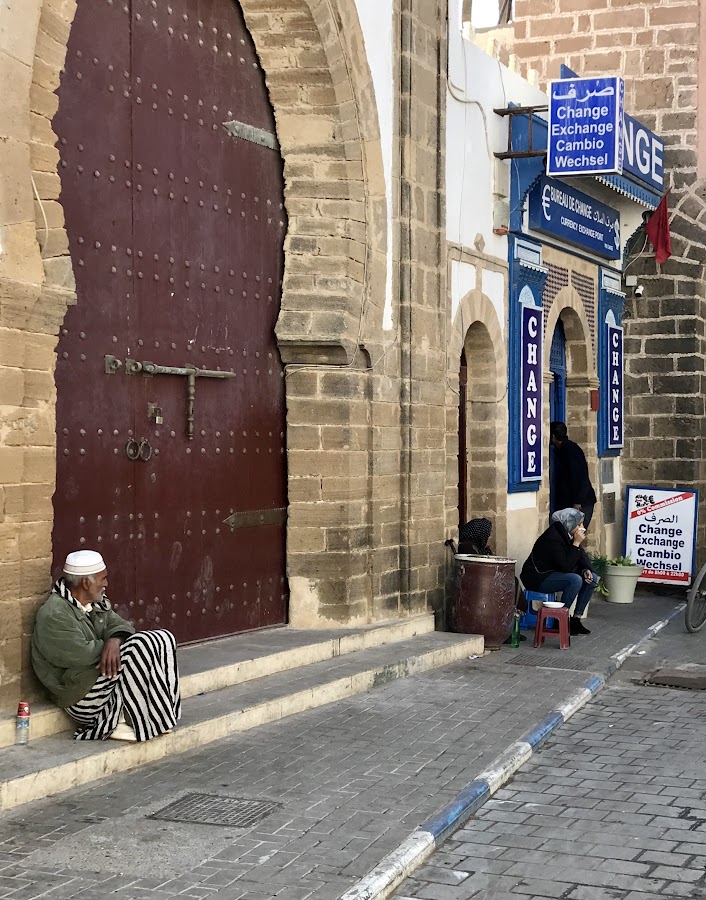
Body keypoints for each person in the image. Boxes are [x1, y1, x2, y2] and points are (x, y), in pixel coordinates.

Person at [32, 550, 181, 742]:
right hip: (79, 695)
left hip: (99, 680)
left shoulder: (95, 603)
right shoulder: (54, 614)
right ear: (86, 583)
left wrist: (115, 640)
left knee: (163, 638)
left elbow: (121, 626)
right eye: (103, 579)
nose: (106, 584)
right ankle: (113, 723)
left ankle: (161, 717)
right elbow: (81, 654)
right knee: (138, 646)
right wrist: (108, 647)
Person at [520, 508, 599, 636]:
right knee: (574, 580)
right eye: (579, 524)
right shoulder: (553, 538)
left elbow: (582, 557)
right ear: (569, 524)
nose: (582, 528)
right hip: (537, 577)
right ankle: (559, 619)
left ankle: (575, 619)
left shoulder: (567, 534)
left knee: (592, 578)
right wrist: (576, 544)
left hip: (553, 574)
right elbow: (566, 567)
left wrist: (586, 570)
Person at [550, 421, 597, 528]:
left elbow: (580, 476)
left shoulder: (570, 451)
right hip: (571, 502)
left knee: (575, 536)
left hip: (579, 503)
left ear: (553, 436)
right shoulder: (562, 450)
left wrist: (577, 501)